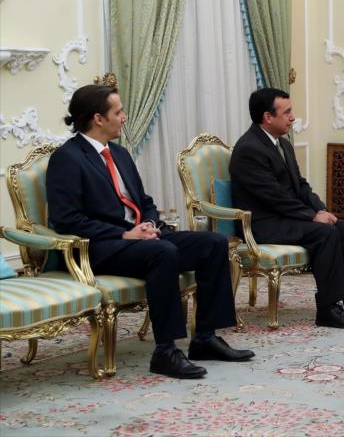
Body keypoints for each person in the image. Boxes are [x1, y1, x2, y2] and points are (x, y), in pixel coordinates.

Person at [47, 84, 254, 380]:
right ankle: (165, 352)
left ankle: (205, 338)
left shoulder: (118, 153)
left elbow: (144, 202)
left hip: (140, 238)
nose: (125, 117)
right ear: (98, 118)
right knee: (163, 252)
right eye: (118, 112)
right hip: (101, 247)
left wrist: (150, 225)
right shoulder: (67, 158)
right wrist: (125, 235)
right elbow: (67, 220)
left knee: (213, 243)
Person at [228, 88, 344, 329]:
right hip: (263, 224)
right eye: (287, 112)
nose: (293, 117)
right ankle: (328, 308)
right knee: (325, 233)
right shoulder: (249, 149)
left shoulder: (283, 144)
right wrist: (311, 216)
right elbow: (274, 197)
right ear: (268, 116)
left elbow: (301, 186)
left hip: (286, 217)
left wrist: (321, 209)